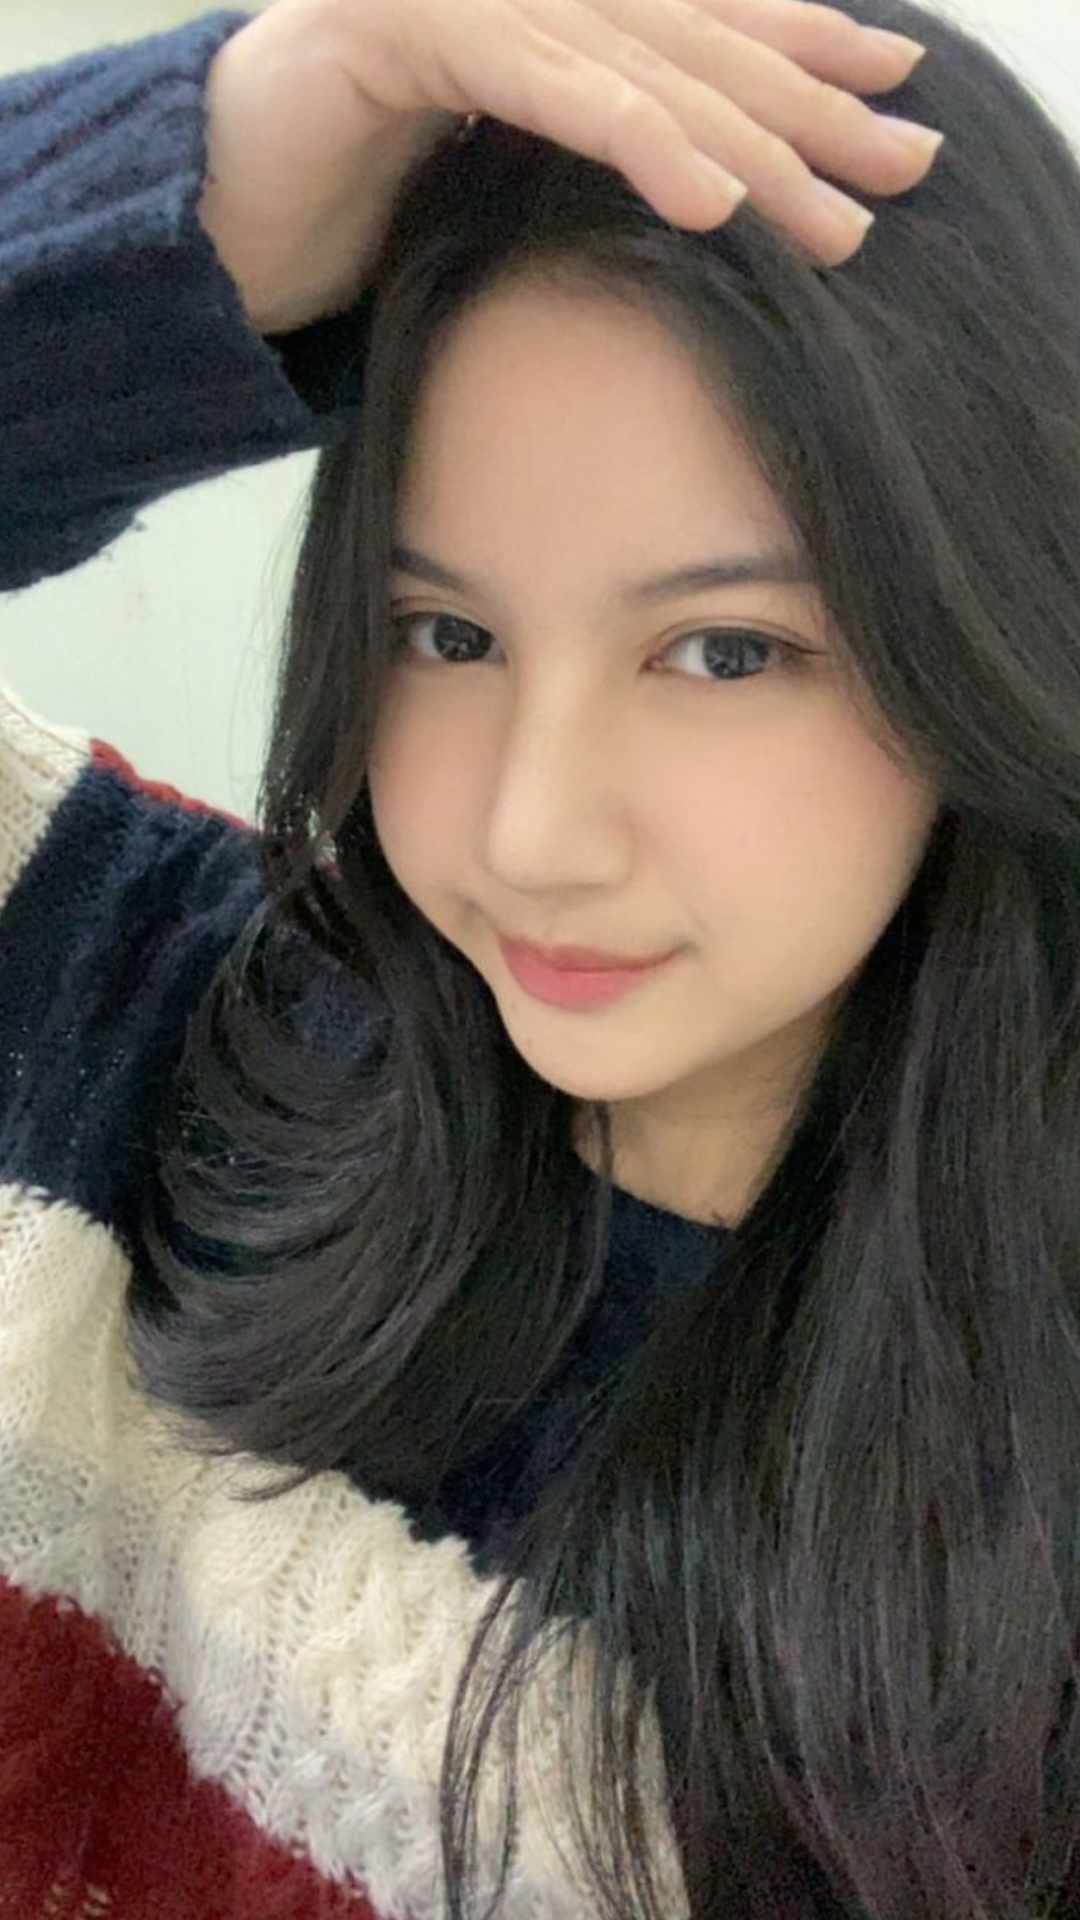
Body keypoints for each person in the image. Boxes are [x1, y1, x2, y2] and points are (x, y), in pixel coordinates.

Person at [1, 0, 1075, 1915]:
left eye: (725, 652)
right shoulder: (111, 988)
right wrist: (224, 157)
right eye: (448, 634)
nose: (529, 834)